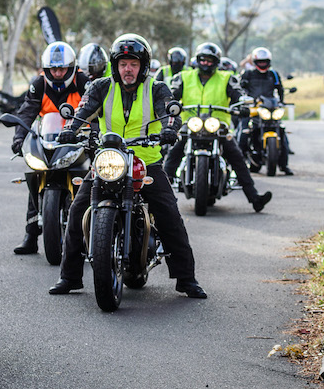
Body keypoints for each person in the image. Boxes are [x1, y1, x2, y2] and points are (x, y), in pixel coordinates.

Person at [49, 33, 207, 298]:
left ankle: (186, 278)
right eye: (123, 63)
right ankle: (70, 276)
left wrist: (170, 129)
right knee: (78, 211)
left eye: (133, 63)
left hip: (147, 162)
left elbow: (169, 110)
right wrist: (70, 128)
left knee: (169, 214)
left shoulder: (156, 88)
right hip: (110, 159)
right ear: (115, 65)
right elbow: (83, 110)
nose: (127, 69)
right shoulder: (101, 86)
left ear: (142, 65)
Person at [164, 42, 273, 210]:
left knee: (236, 156)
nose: (206, 63)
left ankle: (255, 199)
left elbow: (239, 94)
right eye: (203, 60)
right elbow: (172, 94)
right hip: (191, 123)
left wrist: (243, 105)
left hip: (218, 125)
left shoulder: (227, 78)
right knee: (174, 151)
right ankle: (161, 195)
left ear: (216, 62)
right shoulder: (184, 77)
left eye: (210, 60)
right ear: (197, 60)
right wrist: (170, 103)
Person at [10, 41, 90, 255]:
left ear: (71, 67)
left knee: (89, 181)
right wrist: (19, 138)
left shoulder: (83, 82)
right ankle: (30, 235)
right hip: (49, 138)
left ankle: (88, 232)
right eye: (53, 69)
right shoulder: (39, 84)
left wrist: (95, 133)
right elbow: (27, 111)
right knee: (36, 175)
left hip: (78, 139)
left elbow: (96, 108)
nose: (57, 73)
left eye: (62, 68)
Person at [239, 46, 292, 175]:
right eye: (260, 61)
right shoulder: (248, 74)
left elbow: (279, 89)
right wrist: (244, 102)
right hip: (253, 109)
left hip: (270, 108)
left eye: (265, 61)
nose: (262, 64)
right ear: (255, 62)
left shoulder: (273, 74)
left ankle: (283, 165)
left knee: (282, 132)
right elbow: (240, 89)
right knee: (243, 133)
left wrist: (281, 101)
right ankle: (239, 164)